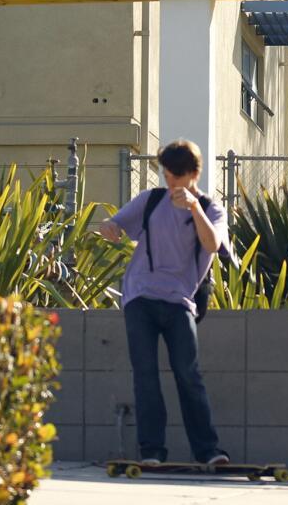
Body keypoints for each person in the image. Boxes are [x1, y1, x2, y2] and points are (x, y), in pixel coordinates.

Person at [97, 139, 230, 467]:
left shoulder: (212, 209)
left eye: (177, 175)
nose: (170, 181)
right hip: (140, 296)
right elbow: (113, 226)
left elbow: (212, 243)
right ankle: (152, 451)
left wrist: (194, 208)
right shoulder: (151, 200)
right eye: (167, 174)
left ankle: (209, 451)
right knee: (145, 374)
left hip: (180, 301)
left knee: (188, 373)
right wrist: (109, 228)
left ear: (193, 174)